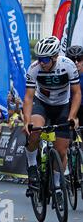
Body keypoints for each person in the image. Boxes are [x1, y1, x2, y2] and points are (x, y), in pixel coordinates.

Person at [24, 36, 80, 208]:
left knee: (61, 150)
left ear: (55, 57)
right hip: (42, 105)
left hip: (62, 106)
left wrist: (72, 116)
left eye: (46, 59)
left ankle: (57, 186)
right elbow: (28, 97)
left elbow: (76, 94)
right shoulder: (34, 68)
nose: (42, 62)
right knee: (35, 129)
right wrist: (27, 121)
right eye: (40, 58)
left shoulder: (68, 65)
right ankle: (32, 165)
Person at [66, 45, 83, 126]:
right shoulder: (62, 74)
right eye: (72, 59)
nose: (76, 62)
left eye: (79, 59)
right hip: (67, 108)